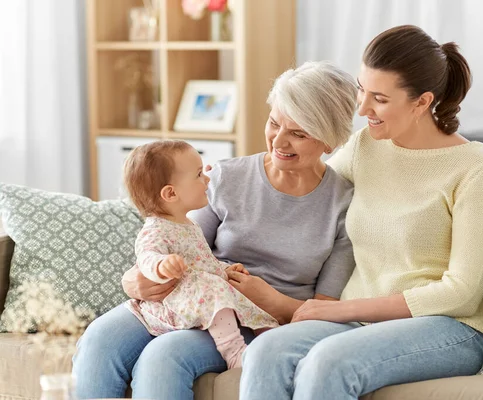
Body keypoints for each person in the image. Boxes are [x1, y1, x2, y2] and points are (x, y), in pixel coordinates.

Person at [239, 25, 483, 400]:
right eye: (362, 89)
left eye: (378, 98)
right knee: (267, 351)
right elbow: (309, 186)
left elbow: (462, 292)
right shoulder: (366, 147)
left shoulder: (473, 166)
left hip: (447, 327)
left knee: (329, 362)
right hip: (362, 320)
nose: (362, 109)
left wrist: (342, 310)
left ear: (421, 102)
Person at [72, 61, 358, 400]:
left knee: (165, 356)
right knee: (98, 339)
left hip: (255, 320)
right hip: (191, 295)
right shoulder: (225, 177)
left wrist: (271, 299)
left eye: (298, 133)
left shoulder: (343, 204)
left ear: (329, 140)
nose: (279, 141)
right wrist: (134, 280)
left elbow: (325, 309)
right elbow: (177, 239)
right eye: (274, 123)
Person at [121, 140, 279, 370]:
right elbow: (146, 256)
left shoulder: (188, 224)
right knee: (214, 289)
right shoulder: (155, 229)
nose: (207, 178)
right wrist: (161, 265)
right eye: (198, 174)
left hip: (199, 293)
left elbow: (202, 261)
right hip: (178, 304)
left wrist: (224, 269)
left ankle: (270, 338)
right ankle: (233, 350)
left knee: (234, 292)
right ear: (171, 193)